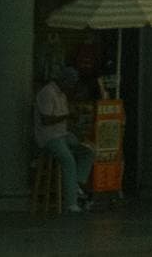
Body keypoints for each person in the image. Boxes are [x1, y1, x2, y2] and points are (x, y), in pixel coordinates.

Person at [34, 66, 92, 211]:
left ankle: (76, 183)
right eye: (71, 83)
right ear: (63, 80)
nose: (72, 86)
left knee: (88, 152)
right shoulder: (47, 93)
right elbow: (46, 120)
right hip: (49, 137)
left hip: (63, 134)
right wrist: (67, 117)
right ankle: (71, 203)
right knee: (68, 160)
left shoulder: (63, 95)